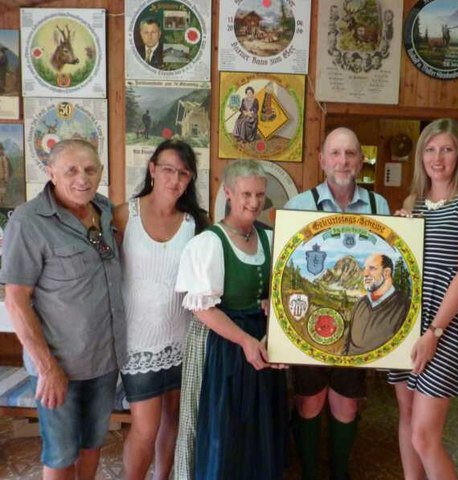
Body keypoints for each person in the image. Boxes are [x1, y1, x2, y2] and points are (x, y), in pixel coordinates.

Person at [0, 139, 126, 480]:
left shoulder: (104, 210)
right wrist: (47, 368)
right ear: (51, 172)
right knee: (60, 454)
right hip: (59, 367)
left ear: (100, 171)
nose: (82, 178)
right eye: (71, 170)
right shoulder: (29, 222)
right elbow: (16, 300)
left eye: (90, 170)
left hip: (103, 361)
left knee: (92, 444)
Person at [284, 127, 390, 480]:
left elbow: (391, 264)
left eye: (349, 154)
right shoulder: (299, 205)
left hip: (360, 328)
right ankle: (312, 472)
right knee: (309, 402)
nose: (342, 161)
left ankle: (340, 472)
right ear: (322, 160)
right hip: (308, 324)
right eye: (335, 154)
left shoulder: (380, 206)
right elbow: (284, 270)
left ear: (361, 160)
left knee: (345, 406)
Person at [388, 118, 458, 480]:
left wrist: (434, 331)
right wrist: (398, 227)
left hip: (442, 325)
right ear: (420, 156)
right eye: (430, 149)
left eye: (446, 148)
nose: (437, 157)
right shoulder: (412, 202)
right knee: (406, 416)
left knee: (425, 434)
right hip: (407, 319)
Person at [174, 160, 287, 480]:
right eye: (246, 194)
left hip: (262, 343)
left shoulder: (268, 238)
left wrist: (270, 302)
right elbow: (202, 308)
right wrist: (246, 341)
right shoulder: (208, 243)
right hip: (224, 346)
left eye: (260, 195)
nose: (254, 202)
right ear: (228, 193)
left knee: (258, 426)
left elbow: (278, 289)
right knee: (223, 428)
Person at [113, 140, 208, 480]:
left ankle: (162, 476)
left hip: (182, 338)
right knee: (145, 427)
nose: (175, 179)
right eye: (168, 169)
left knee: (174, 418)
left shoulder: (195, 223)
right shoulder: (124, 215)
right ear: (152, 169)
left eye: (183, 173)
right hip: (139, 342)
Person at [344, 253, 410, 355]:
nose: (365, 274)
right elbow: (347, 344)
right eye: (365, 268)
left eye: (372, 268)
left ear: (387, 272)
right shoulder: (360, 303)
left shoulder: (405, 307)